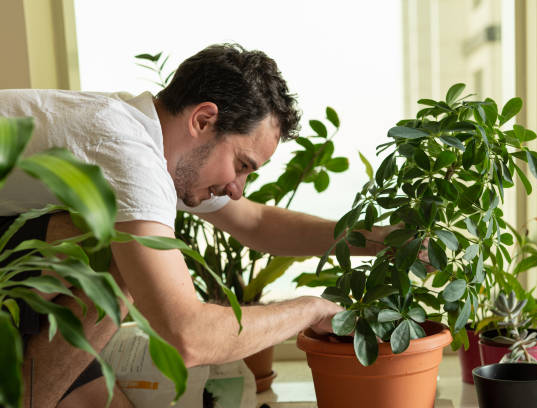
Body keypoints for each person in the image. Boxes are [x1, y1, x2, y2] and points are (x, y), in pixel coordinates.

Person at [0, 44, 389, 407]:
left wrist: (378, 239)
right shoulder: (128, 151)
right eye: (242, 165)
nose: (237, 190)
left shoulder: (144, 136)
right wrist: (310, 310)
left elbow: (256, 223)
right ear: (203, 120)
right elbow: (187, 335)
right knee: (115, 254)